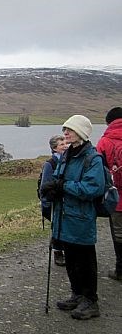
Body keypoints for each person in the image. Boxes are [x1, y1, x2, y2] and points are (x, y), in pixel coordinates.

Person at [41, 115, 105, 320]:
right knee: (71, 259)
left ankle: (90, 301)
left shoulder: (92, 158)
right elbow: (60, 179)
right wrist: (53, 189)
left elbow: (93, 188)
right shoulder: (68, 154)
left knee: (85, 260)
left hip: (81, 217)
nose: (66, 133)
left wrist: (63, 187)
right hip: (64, 216)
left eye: (70, 129)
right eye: (65, 129)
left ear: (82, 133)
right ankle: (77, 294)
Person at [95, 107, 122, 281]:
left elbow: (99, 171)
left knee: (119, 233)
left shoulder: (104, 142)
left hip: (116, 198)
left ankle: (120, 269)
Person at [40, 134, 68, 266]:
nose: (65, 146)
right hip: (53, 202)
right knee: (56, 227)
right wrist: (46, 204)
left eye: (65, 143)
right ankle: (58, 253)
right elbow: (44, 185)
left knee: (66, 227)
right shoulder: (50, 164)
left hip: (66, 201)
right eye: (61, 144)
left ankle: (67, 251)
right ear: (54, 148)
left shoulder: (68, 161)